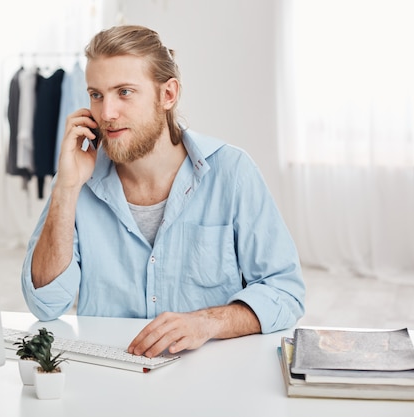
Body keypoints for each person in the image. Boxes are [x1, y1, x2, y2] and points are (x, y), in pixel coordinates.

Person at [21, 25, 305, 358]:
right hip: (112, 380)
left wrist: (206, 322)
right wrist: (66, 188)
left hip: (209, 378)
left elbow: (285, 292)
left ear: (168, 95)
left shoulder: (232, 172)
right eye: (96, 95)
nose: (106, 113)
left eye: (124, 92)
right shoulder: (76, 180)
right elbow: (46, 303)